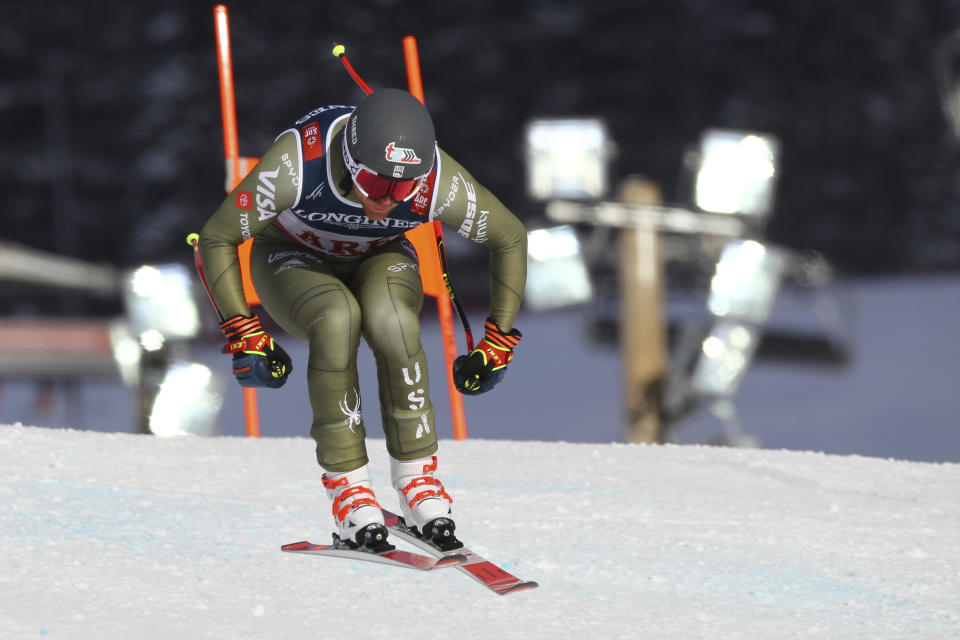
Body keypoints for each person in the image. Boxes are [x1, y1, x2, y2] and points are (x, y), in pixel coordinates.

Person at [197, 89, 527, 551]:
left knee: (392, 320)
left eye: (404, 188)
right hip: (290, 256)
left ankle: (417, 480)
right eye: (375, 184)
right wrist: (242, 329)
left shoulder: (434, 178)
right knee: (337, 317)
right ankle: (349, 488)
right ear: (350, 161)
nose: (388, 200)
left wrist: (498, 340)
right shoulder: (299, 163)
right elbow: (216, 237)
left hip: (380, 255)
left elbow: (509, 237)